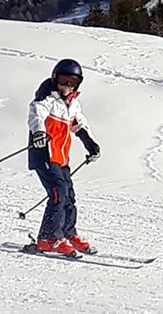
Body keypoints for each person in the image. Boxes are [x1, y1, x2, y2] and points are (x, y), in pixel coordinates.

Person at [27, 58, 102, 256]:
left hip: (61, 157)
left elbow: (80, 125)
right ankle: (48, 238)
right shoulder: (46, 99)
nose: (67, 86)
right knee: (58, 193)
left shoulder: (72, 104)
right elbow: (36, 116)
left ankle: (67, 233)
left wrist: (91, 145)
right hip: (44, 154)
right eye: (63, 80)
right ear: (55, 79)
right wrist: (39, 133)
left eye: (72, 82)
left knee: (68, 194)